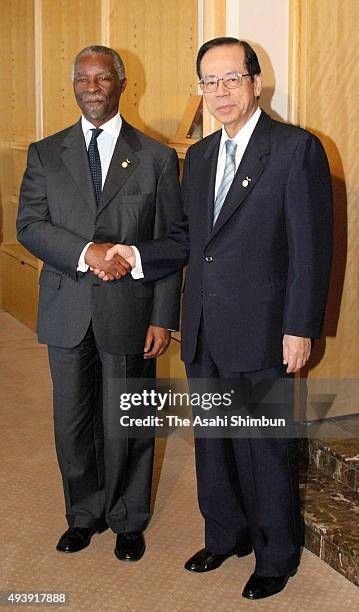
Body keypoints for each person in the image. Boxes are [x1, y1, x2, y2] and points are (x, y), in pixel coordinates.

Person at [93, 38, 333, 599]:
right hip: (204, 328)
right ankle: (226, 534)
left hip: (266, 329)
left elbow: (310, 250)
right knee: (214, 443)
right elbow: (186, 241)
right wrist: (134, 255)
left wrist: (300, 327)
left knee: (264, 446)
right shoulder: (198, 158)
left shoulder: (296, 149)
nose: (220, 92)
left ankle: (276, 554)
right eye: (209, 82)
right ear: (200, 89)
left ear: (255, 82)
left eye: (231, 79)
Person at [16, 45, 182, 562]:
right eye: (83, 79)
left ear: (122, 84)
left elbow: (174, 240)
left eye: (102, 77)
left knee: (128, 420)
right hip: (66, 310)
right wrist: (87, 253)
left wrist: (163, 317)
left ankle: (128, 519)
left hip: (130, 312)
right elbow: (29, 225)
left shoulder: (155, 157)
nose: (92, 86)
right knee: (73, 423)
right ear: (73, 86)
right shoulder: (45, 153)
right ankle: (83, 515)